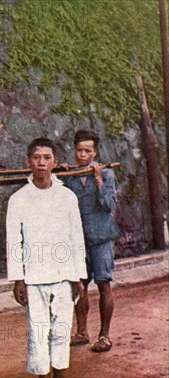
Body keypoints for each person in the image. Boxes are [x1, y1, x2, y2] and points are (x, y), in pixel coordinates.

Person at [6, 137, 86, 377]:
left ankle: (60, 374)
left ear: (55, 162)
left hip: (63, 275)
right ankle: (42, 373)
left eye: (47, 158)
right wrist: (18, 279)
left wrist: (77, 276)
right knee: (38, 332)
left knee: (61, 330)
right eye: (37, 158)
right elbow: (14, 241)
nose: (42, 163)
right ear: (28, 162)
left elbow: (76, 238)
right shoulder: (18, 199)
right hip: (34, 277)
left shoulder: (67, 197)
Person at [61, 129, 120, 353]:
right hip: (78, 238)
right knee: (80, 285)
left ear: (94, 153)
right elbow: (63, 203)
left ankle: (104, 335)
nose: (82, 155)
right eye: (79, 150)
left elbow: (109, 205)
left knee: (104, 283)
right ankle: (81, 332)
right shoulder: (71, 176)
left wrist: (97, 179)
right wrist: (63, 176)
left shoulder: (106, 174)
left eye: (87, 151)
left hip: (102, 237)